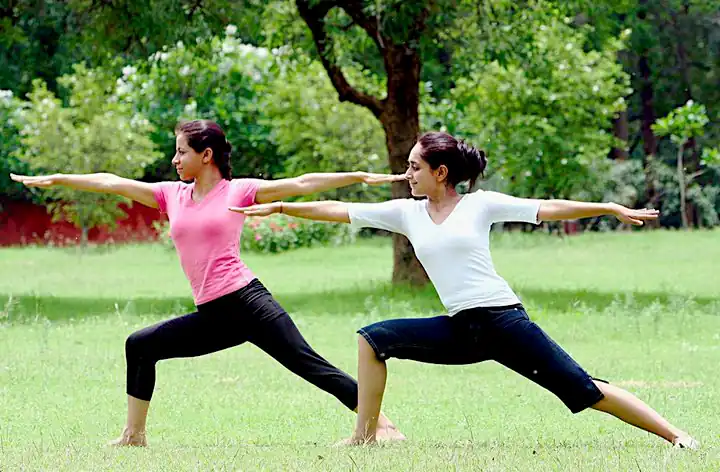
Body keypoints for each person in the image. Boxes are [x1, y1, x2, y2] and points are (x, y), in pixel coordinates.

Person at [231, 131, 699, 449]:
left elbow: (549, 208)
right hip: (462, 328)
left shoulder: (481, 205)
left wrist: (608, 207)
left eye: (415, 167)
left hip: (503, 321)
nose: (407, 173)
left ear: (440, 172)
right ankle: (365, 434)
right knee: (374, 338)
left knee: (583, 390)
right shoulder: (406, 214)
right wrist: (283, 209)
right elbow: (340, 209)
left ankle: (676, 436)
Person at [10, 119, 406, 446]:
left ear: (206, 155)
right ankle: (134, 435)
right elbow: (112, 183)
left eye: (182, 151)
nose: (175, 159)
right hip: (213, 313)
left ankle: (382, 426)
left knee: (307, 364)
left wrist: (358, 176)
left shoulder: (238, 191)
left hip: (248, 303)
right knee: (141, 345)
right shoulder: (171, 195)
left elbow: (301, 184)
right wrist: (59, 178)